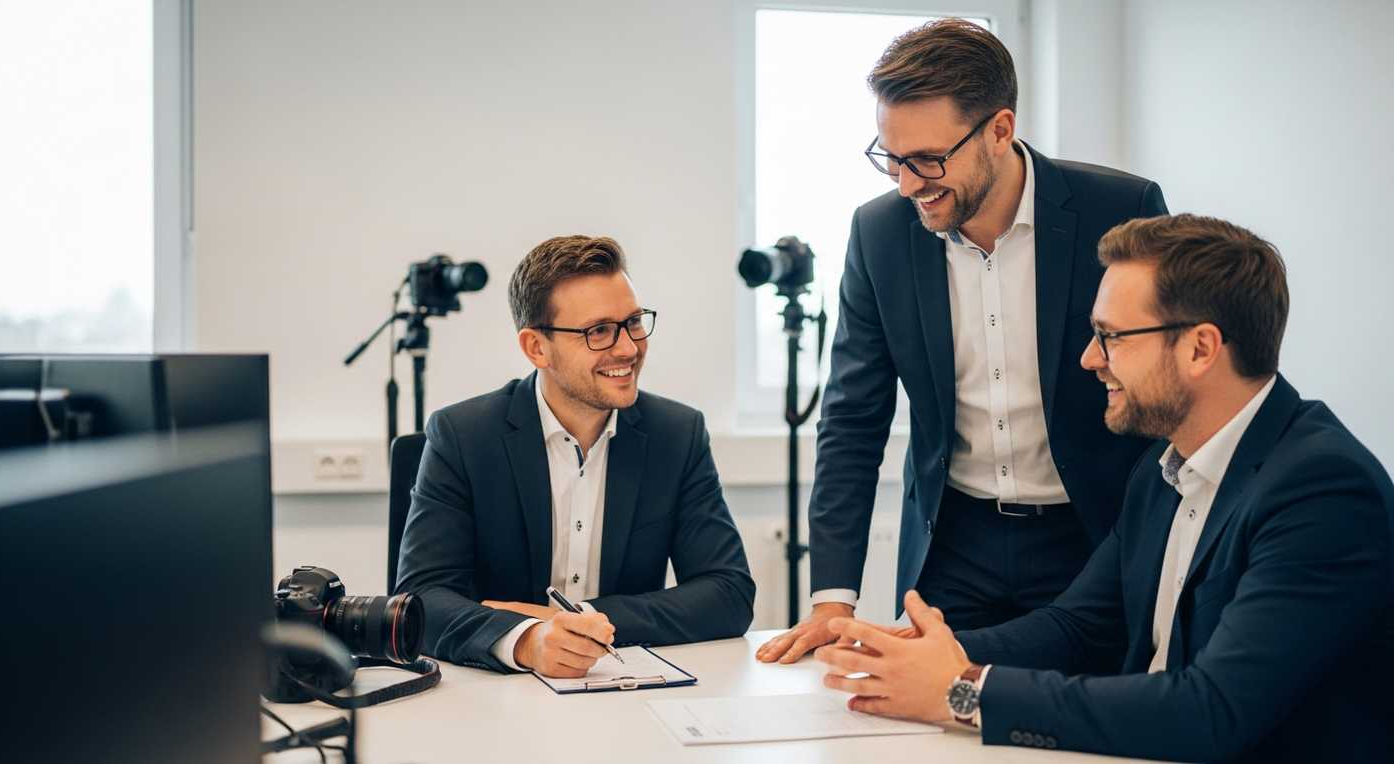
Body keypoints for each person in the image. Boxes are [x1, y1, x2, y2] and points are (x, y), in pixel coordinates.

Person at [817, 214, 1394, 762]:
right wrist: (918, 654)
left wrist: (961, 691)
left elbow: (1211, 712)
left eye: (1111, 336)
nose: (1090, 359)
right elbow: (1080, 626)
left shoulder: (1323, 492)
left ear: (1200, 348)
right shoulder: (1163, 468)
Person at [759, 18, 1168, 663]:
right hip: (953, 541)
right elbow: (853, 418)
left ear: (1000, 131)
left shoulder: (1120, 208)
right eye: (890, 158)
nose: (905, 184)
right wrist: (832, 599)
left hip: (1092, 532)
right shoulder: (880, 234)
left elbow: (1162, 389)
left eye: (927, 159)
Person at [396, 235, 755, 678]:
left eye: (634, 322)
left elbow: (728, 594)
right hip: (495, 699)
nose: (627, 348)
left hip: (627, 690)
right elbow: (421, 599)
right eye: (598, 331)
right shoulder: (464, 436)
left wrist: (579, 618)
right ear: (536, 348)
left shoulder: (676, 434)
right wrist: (526, 639)